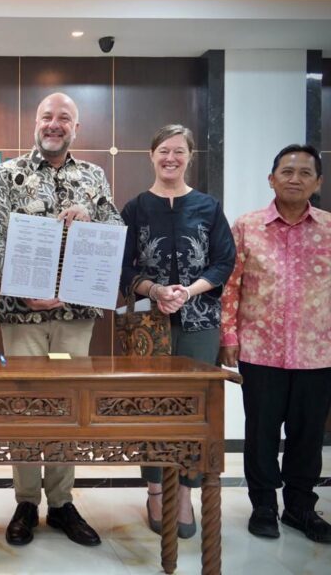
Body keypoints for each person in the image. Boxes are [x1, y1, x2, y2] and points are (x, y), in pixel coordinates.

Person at [0, 92, 121, 548]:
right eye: (47, 116)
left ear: (76, 128)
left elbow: (115, 229)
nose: (54, 124)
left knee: (66, 405)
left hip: (76, 312)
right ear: (35, 123)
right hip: (21, 313)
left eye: (64, 118)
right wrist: (23, 287)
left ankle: (61, 502)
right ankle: (26, 501)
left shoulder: (94, 176)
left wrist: (91, 216)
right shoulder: (7, 174)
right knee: (25, 406)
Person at [120, 123, 235, 539]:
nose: (171, 158)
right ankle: (155, 489)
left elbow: (224, 261)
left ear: (190, 157)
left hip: (199, 321)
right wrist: (154, 290)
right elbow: (122, 266)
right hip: (148, 325)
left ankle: (185, 490)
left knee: (193, 408)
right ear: (151, 156)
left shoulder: (208, 206)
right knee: (149, 406)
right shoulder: (135, 208)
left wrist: (188, 291)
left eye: (179, 151)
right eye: (164, 151)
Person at [220, 144, 331, 544]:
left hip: (318, 353)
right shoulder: (247, 225)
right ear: (271, 179)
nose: (295, 179)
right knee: (261, 432)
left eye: (305, 173)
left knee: (308, 436)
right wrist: (229, 336)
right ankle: (264, 505)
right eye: (287, 171)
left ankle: (300, 507)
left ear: (317, 183)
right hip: (260, 349)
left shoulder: (329, 228)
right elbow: (230, 286)